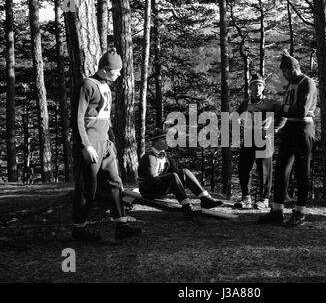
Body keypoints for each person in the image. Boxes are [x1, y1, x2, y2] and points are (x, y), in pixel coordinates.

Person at [71, 48, 142, 241]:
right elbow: (77, 119)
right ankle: (79, 229)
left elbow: (105, 117)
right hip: (90, 144)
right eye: (115, 71)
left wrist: (110, 141)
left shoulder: (106, 86)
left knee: (115, 183)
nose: (119, 74)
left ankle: (122, 225)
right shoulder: (86, 85)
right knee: (88, 188)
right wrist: (86, 146)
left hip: (105, 144)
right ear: (103, 69)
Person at [258, 51, 317, 227]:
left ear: (294, 68)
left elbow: (301, 110)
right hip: (290, 128)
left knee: (301, 170)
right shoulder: (291, 84)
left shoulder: (307, 82)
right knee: (281, 169)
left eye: (286, 71)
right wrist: (275, 129)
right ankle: (277, 210)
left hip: (303, 128)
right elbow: (285, 112)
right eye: (283, 71)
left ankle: (300, 211)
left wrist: (280, 107)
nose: (284, 75)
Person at [138, 129, 224, 218]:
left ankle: (205, 198)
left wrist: (177, 183)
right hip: (149, 191)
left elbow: (178, 173)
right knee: (173, 176)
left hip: (160, 187)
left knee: (184, 171)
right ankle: (187, 206)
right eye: (165, 139)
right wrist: (169, 185)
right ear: (156, 142)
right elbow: (151, 179)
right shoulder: (149, 157)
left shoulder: (165, 156)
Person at [234, 73, 281, 210]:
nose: (257, 88)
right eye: (254, 85)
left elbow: (283, 114)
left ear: (263, 87)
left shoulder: (270, 103)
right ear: (250, 87)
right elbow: (237, 115)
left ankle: (264, 199)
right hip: (249, 138)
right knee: (244, 168)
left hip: (264, 139)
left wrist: (275, 129)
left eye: (260, 85)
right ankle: (246, 198)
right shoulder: (245, 103)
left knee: (264, 170)